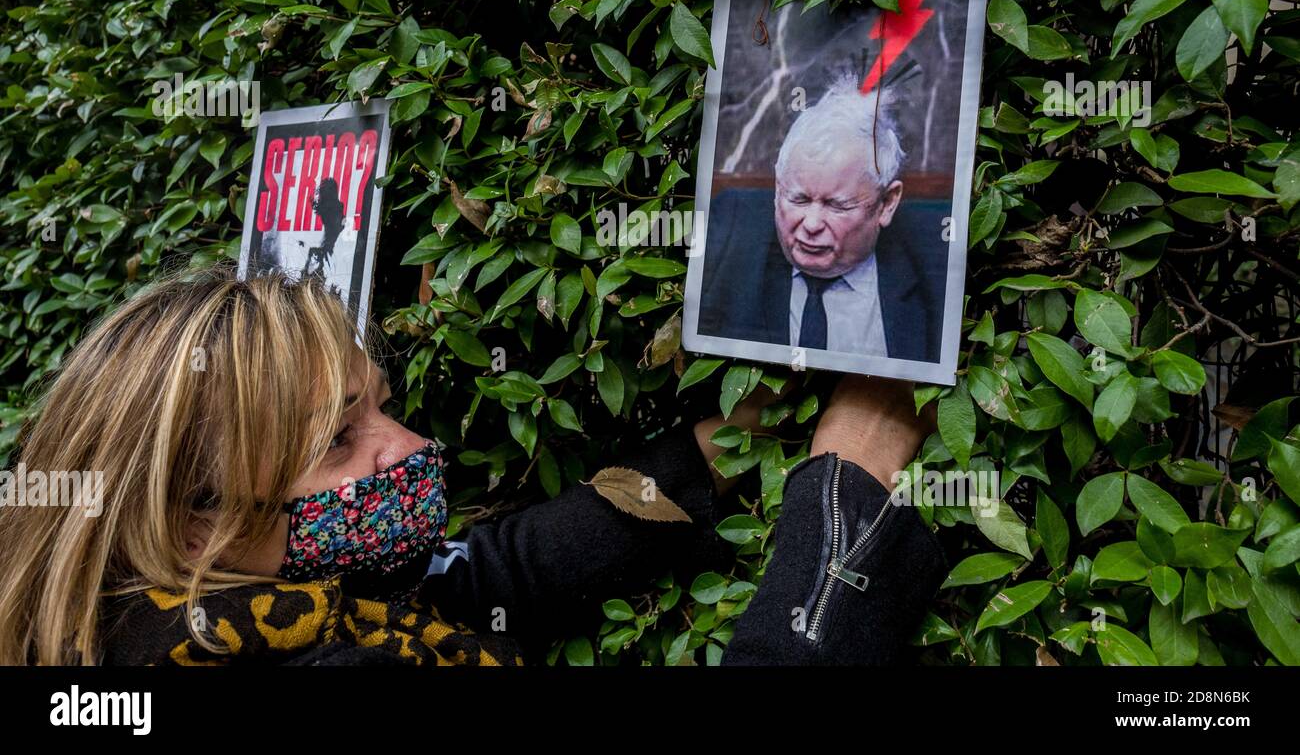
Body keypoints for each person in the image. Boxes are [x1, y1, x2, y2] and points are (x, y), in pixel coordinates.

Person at [0, 264, 946, 665]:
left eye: (379, 404)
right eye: (339, 441)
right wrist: (840, 520)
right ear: (192, 522)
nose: (407, 447)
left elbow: (486, 577)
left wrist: (722, 444)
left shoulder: (192, 617)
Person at [698, 71, 943, 363]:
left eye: (837, 206)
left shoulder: (938, 270)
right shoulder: (729, 234)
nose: (811, 225)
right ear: (778, 188)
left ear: (887, 203)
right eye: (798, 199)